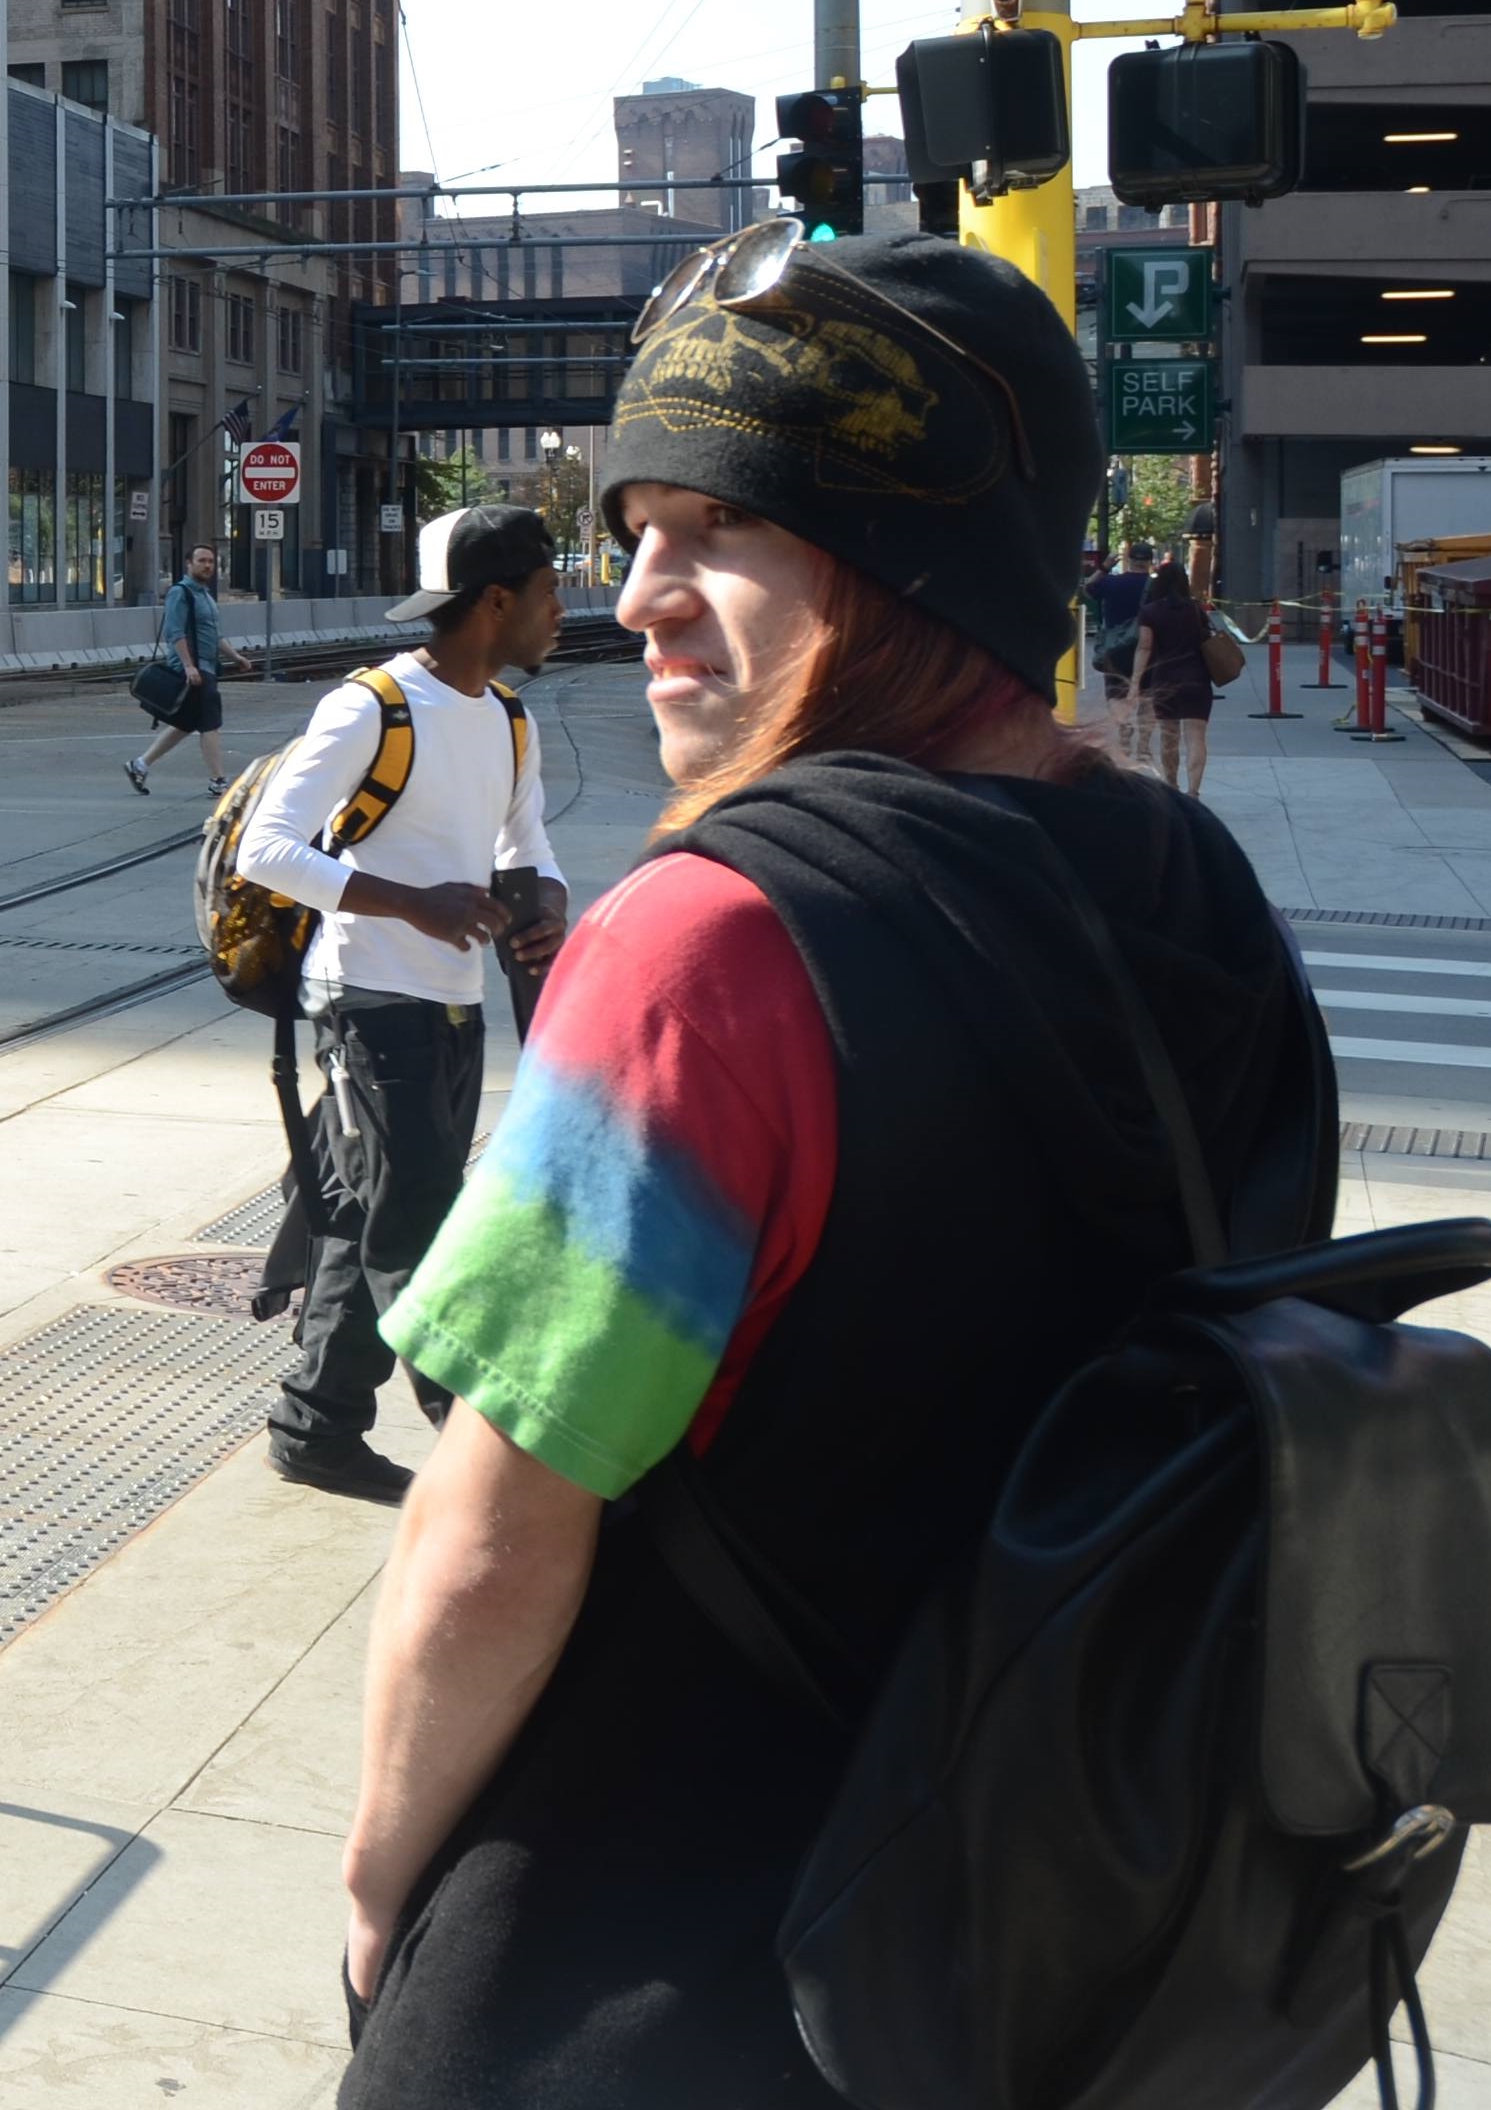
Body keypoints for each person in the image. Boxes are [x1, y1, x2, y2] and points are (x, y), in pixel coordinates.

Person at [331, 226, 1335, 2103]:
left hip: (670, 1963)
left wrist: (382, 1872)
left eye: (718, 528)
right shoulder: (1194, 887)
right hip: (1072, 1920)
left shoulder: (703, 945)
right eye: (630, 529)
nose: (635, 596)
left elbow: (494, 1529)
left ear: (904, 563)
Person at [228, 504, 569, 1505]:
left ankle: (314, 1429)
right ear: (494, 601)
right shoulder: (370, 708)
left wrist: (541, 901)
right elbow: (267, 849)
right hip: (369, 999)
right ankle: (480, 1462)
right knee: (417, 1227)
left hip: (453, 1004)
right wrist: (409, 904)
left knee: (367, 1216)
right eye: (549, 593)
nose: (563, 611)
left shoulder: (508, 719)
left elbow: (527, 848)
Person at [129, 541, 238, 793]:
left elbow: (214, 635)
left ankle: (140, 765)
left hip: (207, 667)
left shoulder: (205, 595)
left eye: (211, 562)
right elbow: (175, 632)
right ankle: (218, 780)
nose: (208, 565)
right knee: (211, 722)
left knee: (186, 723)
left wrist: (236, 657)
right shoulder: (181, 593)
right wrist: (189, 666)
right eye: (202, 561)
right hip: (194, 669)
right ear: (189, 564)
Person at [1133, 552, 1218, 794]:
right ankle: (1193, 792)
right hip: (1196, 680)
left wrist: (1135, 682)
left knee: (1169, 738)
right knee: (1196, 738)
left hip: (1165, 680)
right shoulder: (1195, 609)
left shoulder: (1149, 612)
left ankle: (1172, 786)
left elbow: (1144, 647)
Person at [1077, 537, 1152, 761]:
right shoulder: (1155, 586)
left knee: (1115, 691)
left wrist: (1105, 566)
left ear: (1129, 560)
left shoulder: (1112, 583)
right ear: (1149, 561)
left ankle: (1123, 723)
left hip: (1114, 647)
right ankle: (1144, 746)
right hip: (1146, 647)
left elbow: (1088, 589)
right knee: (1147, 694)